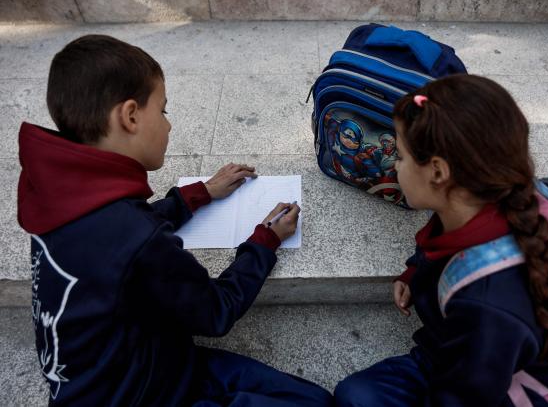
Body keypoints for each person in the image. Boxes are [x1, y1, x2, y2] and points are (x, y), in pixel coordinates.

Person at [17, 34, 333, 406]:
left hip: (135, 368)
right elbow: (216, 311)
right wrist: (265, 240)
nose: (168, 125)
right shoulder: (139, 237)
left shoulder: (57, 194)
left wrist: (197, 194)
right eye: (163, 111)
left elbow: (114, 238)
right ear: (130, 116)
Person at [334, 74, 548, 406]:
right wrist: (415, 272)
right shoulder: (479, 198)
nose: (392, 165)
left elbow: (466, 395)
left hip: (495, 386)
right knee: (354, 395)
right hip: (458, 357)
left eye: (400, 156)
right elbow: (439, 244)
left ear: (437, 171)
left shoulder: (489, 306)